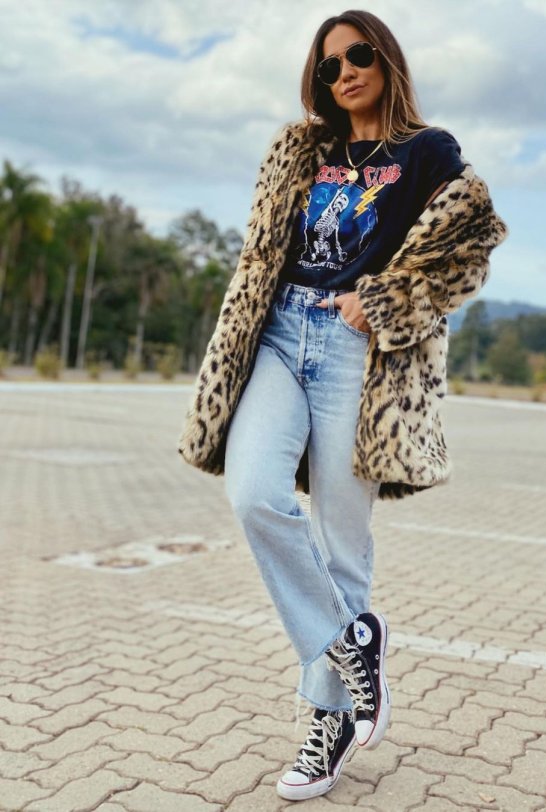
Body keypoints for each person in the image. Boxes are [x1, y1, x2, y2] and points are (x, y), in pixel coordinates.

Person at [178, 9, 508, 803]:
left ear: (386, 59)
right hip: (280, 334)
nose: (345, 73)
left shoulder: (428, 153)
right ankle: (350, 642)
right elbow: (263, 251)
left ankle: (327, 724)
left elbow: (471, 251)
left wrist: (389, 298)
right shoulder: (306, 150)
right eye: (329, 66)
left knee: (341, 542)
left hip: (357, 351)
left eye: (358, 55)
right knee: (254, 493)